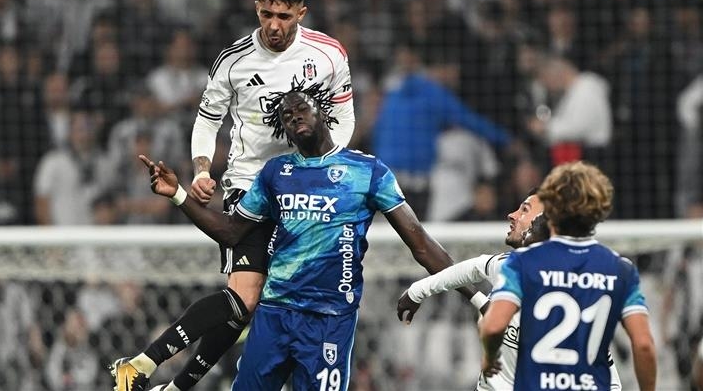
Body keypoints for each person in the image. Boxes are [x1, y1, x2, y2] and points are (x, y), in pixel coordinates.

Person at [113, 0, 356, 391]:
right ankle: (140, 364)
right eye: (266, 14)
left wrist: (322, 166)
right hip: (251, 186)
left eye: (283, 16)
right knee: (246, 295)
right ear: (256, 7)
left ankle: (170, 385)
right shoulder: (233, 60)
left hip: (305, 191)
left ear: (301, 12)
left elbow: (344, 118)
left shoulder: (329, 54)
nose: (274, 25)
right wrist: (202, 170)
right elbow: (207, 121)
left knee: (254, 305)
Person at [136, 87, 469, 390]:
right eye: (287, 116)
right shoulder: (276, 173)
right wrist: (178, 194)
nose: (295, 117)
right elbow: (230, 231)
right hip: (275, 313)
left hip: (329, 318)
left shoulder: (367, 171)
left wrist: (477, 297)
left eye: (302, 109)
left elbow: (421, 244)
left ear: (322, 112)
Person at [397, 192, 623, 390]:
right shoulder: (508, 266)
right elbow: (473, 268)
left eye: (524, 210)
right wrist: (418, 291)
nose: (512, 215)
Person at [479, 162, 657, 391]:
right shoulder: (621, 269)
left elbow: (493, 327)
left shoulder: (523, 263)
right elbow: (643, 345)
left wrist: (490, 357)